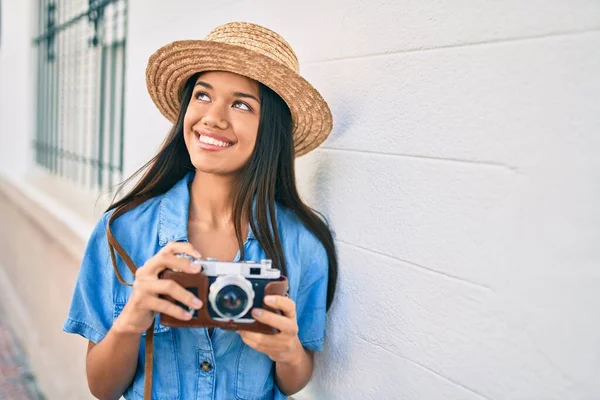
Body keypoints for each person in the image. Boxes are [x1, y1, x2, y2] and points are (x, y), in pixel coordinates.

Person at [63, 21, 338, 400]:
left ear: (270, 128)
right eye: (203, 95)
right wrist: (132, 319)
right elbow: (101, 387)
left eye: (242, 103)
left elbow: (294, 380)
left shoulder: (303, 244)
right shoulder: (123, 229)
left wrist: (288, 351)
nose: (213, 117)